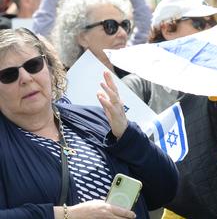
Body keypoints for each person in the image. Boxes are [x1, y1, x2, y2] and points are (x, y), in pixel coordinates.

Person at [0, 28, 178, 217]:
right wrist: (68, 215)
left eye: (33, 65)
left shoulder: (96, 118)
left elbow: (166, 188)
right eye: (8, 75)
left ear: (50, 68)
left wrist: (127, 134)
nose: (26, 78)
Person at [123, 0, 217, 113]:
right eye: (199, 24)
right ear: (167, 30)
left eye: (212, 24)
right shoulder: (135, 86)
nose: (209, 30)